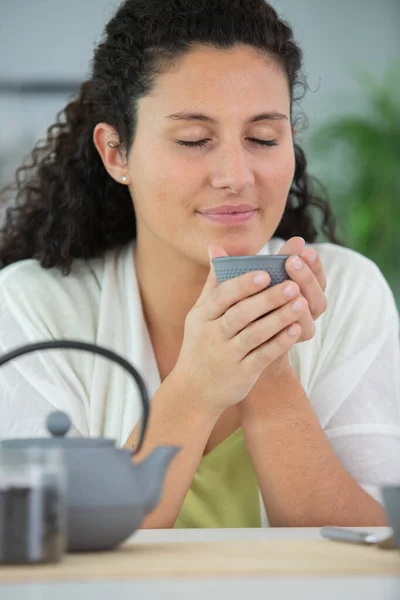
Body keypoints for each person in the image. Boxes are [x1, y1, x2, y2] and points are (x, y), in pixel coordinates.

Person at [0, 0, 399, 530]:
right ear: (117, 152)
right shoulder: (33, 305)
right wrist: (196, 387)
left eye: (263, 139)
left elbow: (372, 555)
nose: (235, 174)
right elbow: (46, 551)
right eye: (194, 140)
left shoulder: (350, 290)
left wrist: (266, 366)